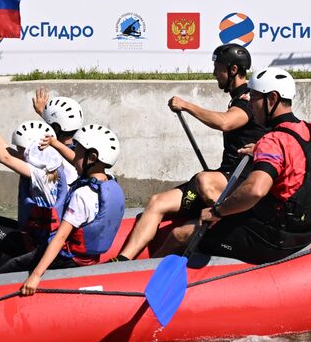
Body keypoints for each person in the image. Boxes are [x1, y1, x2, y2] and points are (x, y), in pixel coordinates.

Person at [159, 68, 311, 265]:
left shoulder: (272, 140)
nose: (250, 103)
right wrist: (260, 150)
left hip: (272, 240)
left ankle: (140, 277)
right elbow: (300, 162)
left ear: (272, 99)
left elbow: (255, 190)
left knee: (179, 235)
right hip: (304, 233)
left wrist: (217, 212)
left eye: (255, 97)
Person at [113, 43, 265, 262]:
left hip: (237, 180)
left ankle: (226, 222)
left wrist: (187, 105)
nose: (214, 73)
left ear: (233, 70)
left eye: (218, 67)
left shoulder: (248, 99)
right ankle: (123, 262)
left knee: (204, 180)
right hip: (223, 177)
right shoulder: (237, 97)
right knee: (157, 201)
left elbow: (226, 122)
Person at [0, 109, 77, 276]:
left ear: (36, 151)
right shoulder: (49, 164)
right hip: (33, 231)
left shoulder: (42, 176)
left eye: (22, 150)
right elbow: (6, 149)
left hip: (38, 243)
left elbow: (4, 157)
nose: (20, 154)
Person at [19, 123, 126, 294]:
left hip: (68, 259)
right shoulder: (109, 182)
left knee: (9, 266)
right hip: (89, 259)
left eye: (78, 152)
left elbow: (61, 237)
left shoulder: (82, 195)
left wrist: (36, 275)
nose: (73, 156)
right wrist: (54, 143)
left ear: (91, 158)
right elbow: (78, 161)